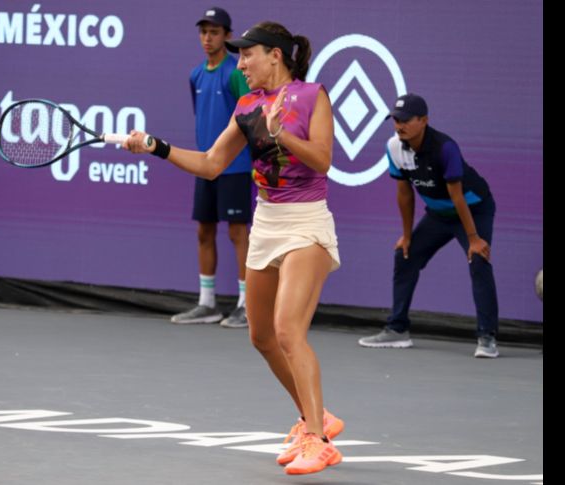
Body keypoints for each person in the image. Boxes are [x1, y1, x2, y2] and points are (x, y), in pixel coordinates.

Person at [124, 21, 345, 475]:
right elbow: (210, 165)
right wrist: (156, 147)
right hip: (266, 223)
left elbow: (323, 160)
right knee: (261, 336)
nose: (240, 63)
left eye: (247, 55)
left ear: (275, 57)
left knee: (287, 330)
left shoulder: (312, 96)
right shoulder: (247, 105)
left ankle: (320, 442)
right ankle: (314, 416)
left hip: (306, 223)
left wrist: (280, 134)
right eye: (238, 55)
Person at [358, 93, 500, 358]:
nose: (399, 125)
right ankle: (398, 329)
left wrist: (474, 238)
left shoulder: (445, 148)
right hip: (437, 213)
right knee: (404, 255)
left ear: (423, 121)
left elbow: (457, 196)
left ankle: (487, 336)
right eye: (395, 120)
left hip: (473, 209)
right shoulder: (394, 146)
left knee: (478, 259)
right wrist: (406, 235)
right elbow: (405, 192)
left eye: (405, 120)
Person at [170, 7, 252, 328]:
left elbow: (247, 118)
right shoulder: (195, 75)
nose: (208, 38)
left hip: (235, 166)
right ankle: (208, 304)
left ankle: (246, 305)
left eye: (215, 32)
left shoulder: (236, 73)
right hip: (205, 167)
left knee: (237, 232)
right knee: (204, 230)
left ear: (228, 36)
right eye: (204, 32)